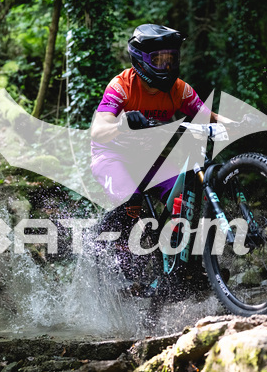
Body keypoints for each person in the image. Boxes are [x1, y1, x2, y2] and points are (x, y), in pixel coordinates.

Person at [90, 24, 231, 289]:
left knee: (186, 196)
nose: (166, 66)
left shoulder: (179, 89)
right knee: (130, 199)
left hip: (150, 161)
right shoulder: (121, 86)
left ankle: (184, 268)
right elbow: (98, 129)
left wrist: (237, 124)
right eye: (158, 60)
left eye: (171, 59)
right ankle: (124, 264)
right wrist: (122, 123)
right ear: (140, 60)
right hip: (112, 157)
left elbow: (207, 116)